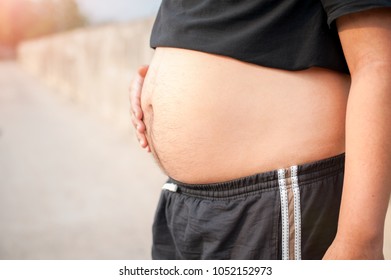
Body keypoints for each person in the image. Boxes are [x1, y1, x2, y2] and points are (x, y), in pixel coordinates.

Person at [130, 0, 391, 260]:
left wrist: (359, 242)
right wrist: (162, 74)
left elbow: (378, 62)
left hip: (275, 201)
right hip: (181, 202)